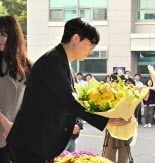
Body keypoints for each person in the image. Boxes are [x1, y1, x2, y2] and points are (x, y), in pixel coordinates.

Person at [6, 18, 130, 163]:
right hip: (30, 144)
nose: (91, 52)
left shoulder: (64, 64)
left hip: (40, 145)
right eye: (91, 45)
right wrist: (107, 120)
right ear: (76, 38)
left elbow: (74, 101)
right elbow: (69, 102)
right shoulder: (52, 62)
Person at [0, 15, 33, 163]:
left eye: (3, 34)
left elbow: (32, 103)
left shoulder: (29, 66)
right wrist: (5, 123)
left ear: (13, 35)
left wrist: (17, 127)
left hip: (19, 135)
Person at [104, 77, 134, 163]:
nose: (126, 85)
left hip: (126, 133)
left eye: (129, 83)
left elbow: (133, 114)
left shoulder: (134, 96)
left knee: (123, 161)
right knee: (108, 160)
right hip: (111, 133)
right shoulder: (110, 96)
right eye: (124, 83)